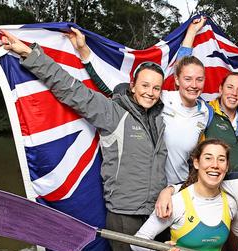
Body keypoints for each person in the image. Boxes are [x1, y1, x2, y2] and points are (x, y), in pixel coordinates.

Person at [0, 29, 173, 251]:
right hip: (122, 214)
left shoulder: (162, 118)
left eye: (156, 88)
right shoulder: (112, 113)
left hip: (157, 215)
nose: (150, 92)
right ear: (133, 86)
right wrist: (28, 52)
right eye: (145, 85)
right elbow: (70, 88)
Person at [80, 18, 212, 185]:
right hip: (145, 188)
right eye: (188, 79)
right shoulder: (160, 97)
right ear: (177, 80)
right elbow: (113, 86)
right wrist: (84, 51)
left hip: (179, 189)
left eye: (199, 79)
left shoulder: (206, 113)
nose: (194, 85)